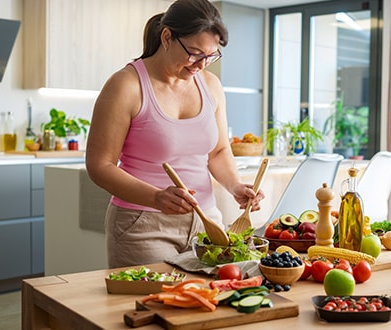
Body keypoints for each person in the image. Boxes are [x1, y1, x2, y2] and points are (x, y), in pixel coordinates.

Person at [86, 0, 264, 268]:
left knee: (211, 305)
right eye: (194, 53)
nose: (201, 65)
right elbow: (99, 165)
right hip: (143, 224)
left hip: (206, 222)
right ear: (167, 36)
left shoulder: (211, 85)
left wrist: (235, 186)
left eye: (211, 56)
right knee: (156, 307)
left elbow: (218, 151)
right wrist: (156, 197)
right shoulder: (125, 85)